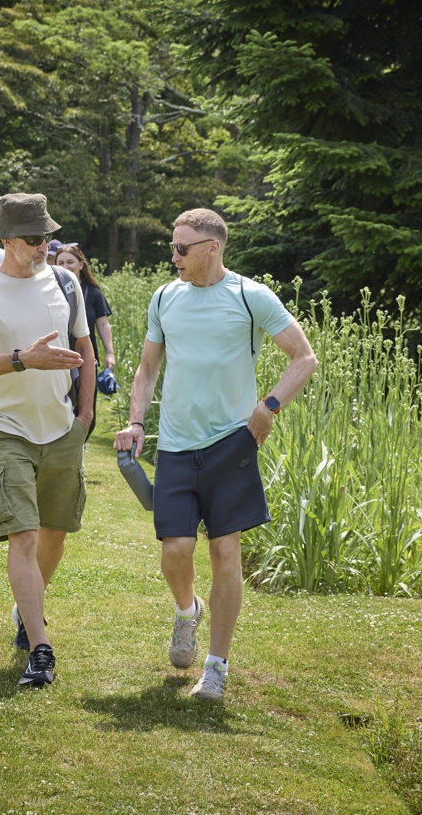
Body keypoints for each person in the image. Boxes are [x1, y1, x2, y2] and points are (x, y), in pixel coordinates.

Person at [114, 209, 318, 701]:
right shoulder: (164, 297)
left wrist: (268, 407)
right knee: (174, 552)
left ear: (212, 248)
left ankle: (216, 667)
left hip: (232, 445)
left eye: (182, 248)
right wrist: (137, 421)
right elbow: (146, 369)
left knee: (226, 551)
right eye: (171, 247)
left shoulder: (250, 296)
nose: (174, 256)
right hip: (177, 446)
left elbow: (304, 357)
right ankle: (188, 611)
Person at [0, 193, 94, 688]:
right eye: (35, 240)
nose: (44, 247)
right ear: (5, 240)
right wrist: (22, 359)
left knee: (55, 531)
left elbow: (84, 346)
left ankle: (25, 607)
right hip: (2, 427)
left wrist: (85, 413)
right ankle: (40, 648)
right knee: (24, 533)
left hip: (60, 427)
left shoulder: (66, 282)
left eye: (47, 238)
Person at [55, 244, 115, 438]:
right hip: (57, 360)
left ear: (81, 264)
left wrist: (110, 352)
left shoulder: (94, 293)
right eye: (60, 262)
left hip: (85, 360)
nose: (66, 266)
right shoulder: (49, 292)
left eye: (70, 262)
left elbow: (103, 324)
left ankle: (80, 446)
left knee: (87, 412)